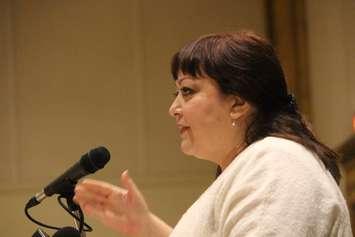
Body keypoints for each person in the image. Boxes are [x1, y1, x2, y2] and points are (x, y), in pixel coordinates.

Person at [73, 31, 352, 237]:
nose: (173, 109)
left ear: (238, 103)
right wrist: (146, 227)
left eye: (188, 91)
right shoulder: (258, 166)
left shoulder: (276, 162)